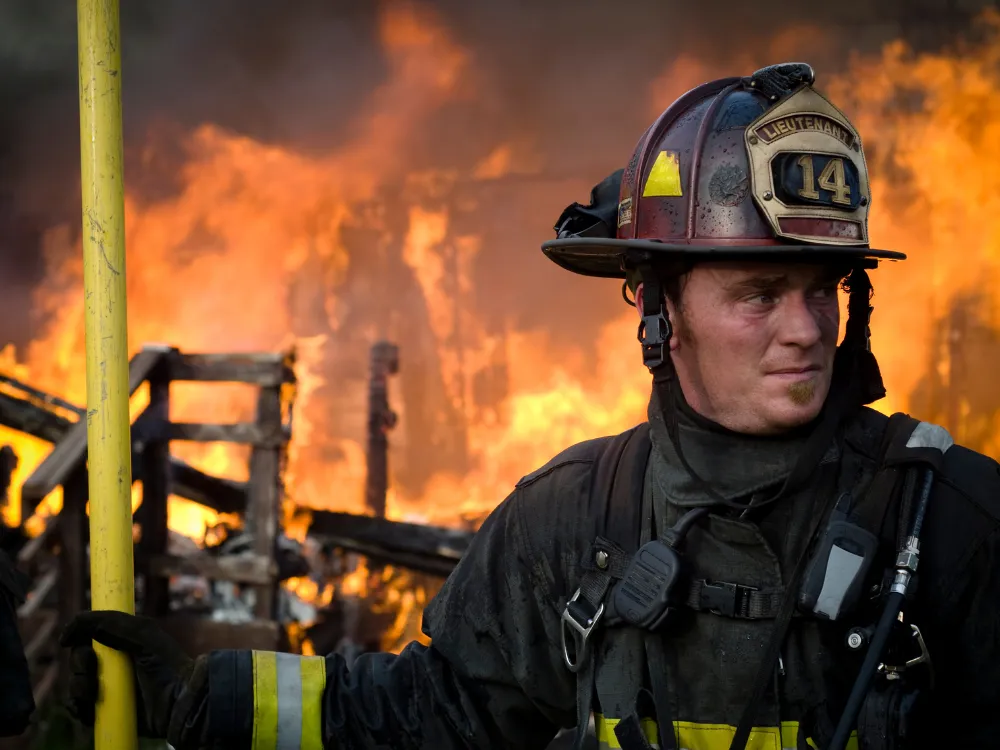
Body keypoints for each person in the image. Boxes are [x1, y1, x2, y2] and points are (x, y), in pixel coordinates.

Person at [60, 63, 1000, 750]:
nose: (805, 330)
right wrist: (205, 701)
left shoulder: (949, 520)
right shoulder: (575, 520)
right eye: (759, 293)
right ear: (659, 308)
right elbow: (431, 711)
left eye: (824, 290)